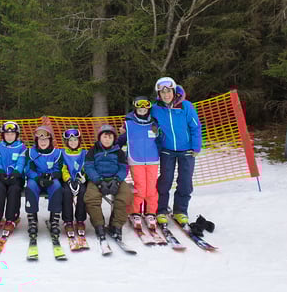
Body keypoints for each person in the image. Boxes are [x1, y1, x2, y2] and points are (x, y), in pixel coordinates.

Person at [150, 76, 202, 226]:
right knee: (165, 180)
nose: (166, 95)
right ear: (159, 94)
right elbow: (140, 116)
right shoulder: (156, 108)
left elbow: (195, 126)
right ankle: (161, 210)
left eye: (168, 91)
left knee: (185, 181)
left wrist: (196, 146)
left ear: (174, 92)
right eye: (162, 92)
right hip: (167, 149)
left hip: (187, 150)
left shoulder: (186, 106)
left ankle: (181, 211)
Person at [117, 96, 161, 230]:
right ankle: (135, 212)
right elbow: (120, 141)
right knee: (140, 188)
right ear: (135, 108)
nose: (142, 110)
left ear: (148, 109)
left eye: (145, 108)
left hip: (152, 160)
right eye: (139, 107)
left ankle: (150, 213)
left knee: (152, 188)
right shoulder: (128, 124)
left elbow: (160, 140)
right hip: (136, 160)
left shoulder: (154, 123)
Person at [84, 124, 132, 241]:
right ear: (100, 138)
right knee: (91, 198)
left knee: (125, 196)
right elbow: (89, 167)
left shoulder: (118, 152)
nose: (107, 140)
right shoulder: (93, 150)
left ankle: (116, 225)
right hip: (97, 179)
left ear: (114, 139)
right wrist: (98, 181)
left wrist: (117, 180)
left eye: (110, 137)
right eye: (105, 137)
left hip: (115, 178)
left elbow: (124, 168)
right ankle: (99, 225)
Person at [0, 121, 27, 237]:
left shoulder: (21, 147)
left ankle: (11, 218)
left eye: (12, 134)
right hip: (3, 176)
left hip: (16, 177)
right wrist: (0, 172)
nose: (9, 136)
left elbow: (21, 162)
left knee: (14, 190)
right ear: (3, 135)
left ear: (16, 135)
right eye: (7, 134)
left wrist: (16, 173)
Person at [24, 125, 64, 238]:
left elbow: (59, 169)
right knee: (31, 186)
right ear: (36, 140)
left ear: (50, 140)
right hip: (36, 179)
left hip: (50, 179)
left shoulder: (57, 153)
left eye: (45, 139)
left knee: (57, 186)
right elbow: (28, 169)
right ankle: (32, 219)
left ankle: (54, 219)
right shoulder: (31, 152)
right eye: (40, 140)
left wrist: (52, 176)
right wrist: (38, 178)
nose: (43, 142)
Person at [60, 128, 88, 237]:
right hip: (68, 181)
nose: (73, 142)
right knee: (66, 193)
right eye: (70, 140)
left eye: (75, 140)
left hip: (79, 180)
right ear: (66, 142)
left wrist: (81, 179)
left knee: (83, 192)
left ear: (79, 141)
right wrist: (68, 179)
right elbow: (63, 168)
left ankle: (80, 220)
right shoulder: (63, 153)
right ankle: (68, 221)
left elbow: (86, 167)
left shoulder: (84, 153)